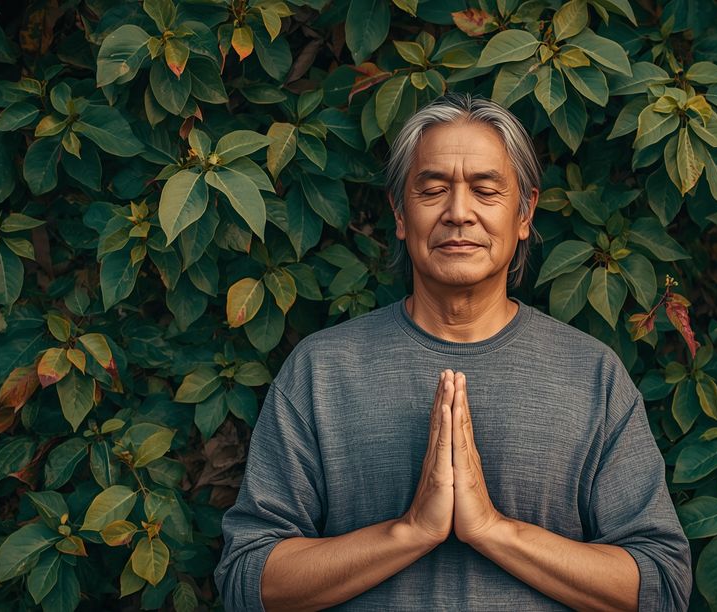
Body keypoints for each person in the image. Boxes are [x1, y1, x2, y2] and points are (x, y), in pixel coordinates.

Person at [214, 92, 692, 611]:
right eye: (433, 190)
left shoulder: (591, 374)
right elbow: (247, 581)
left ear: (525, 212)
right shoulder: (322, 370)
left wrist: (492, 529)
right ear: (400, 214)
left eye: (485, 190)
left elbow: (661, 587)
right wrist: (412, 530)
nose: (459, 213)